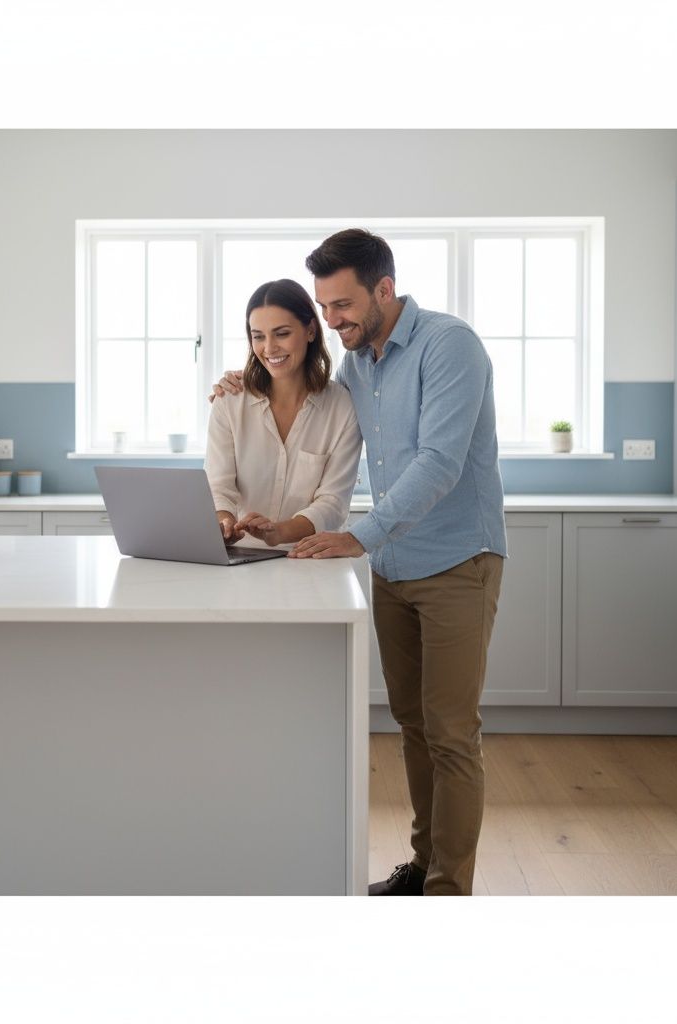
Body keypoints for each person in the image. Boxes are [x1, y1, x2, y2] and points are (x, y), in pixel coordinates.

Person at [213, 230, 507, 896]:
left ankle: (447, 890)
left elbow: (440, 460)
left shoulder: (447, 345)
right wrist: (249, 375)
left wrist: (360, 533)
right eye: (324, 307)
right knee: (412, 725)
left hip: (459, 558)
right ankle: (423, 863)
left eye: (342, 304)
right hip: (394, 566)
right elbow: (303, 386)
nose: (332, 319)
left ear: (384, 288)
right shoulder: (359, 365)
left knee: (452, 733)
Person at [206, 279, 361, 549]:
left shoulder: (341, 407)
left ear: (310, 330)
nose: (269, 348)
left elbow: (333, 501)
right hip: (243, 559)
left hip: (310, 559)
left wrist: (280, 532)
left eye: (282, 333)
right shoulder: (229, 402)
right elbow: (218, 486)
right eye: (258, 336)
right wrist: (225, 522)